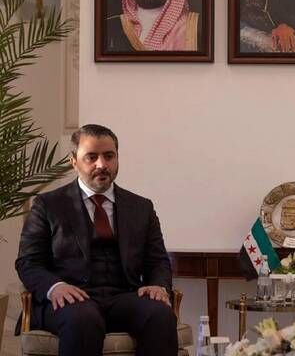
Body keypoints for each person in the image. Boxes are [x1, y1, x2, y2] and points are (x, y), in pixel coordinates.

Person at [15, 124, 177, 356]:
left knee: (160, 314)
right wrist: (55, 287)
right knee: (83, 319)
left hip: (123, 298)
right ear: (73, 161)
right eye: (91, 157)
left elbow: (158, 260)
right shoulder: (48, 205)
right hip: (70, 300)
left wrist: (158, 285)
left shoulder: (141, 207)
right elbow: (28, 263)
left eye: (109, 156)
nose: (102, 164)